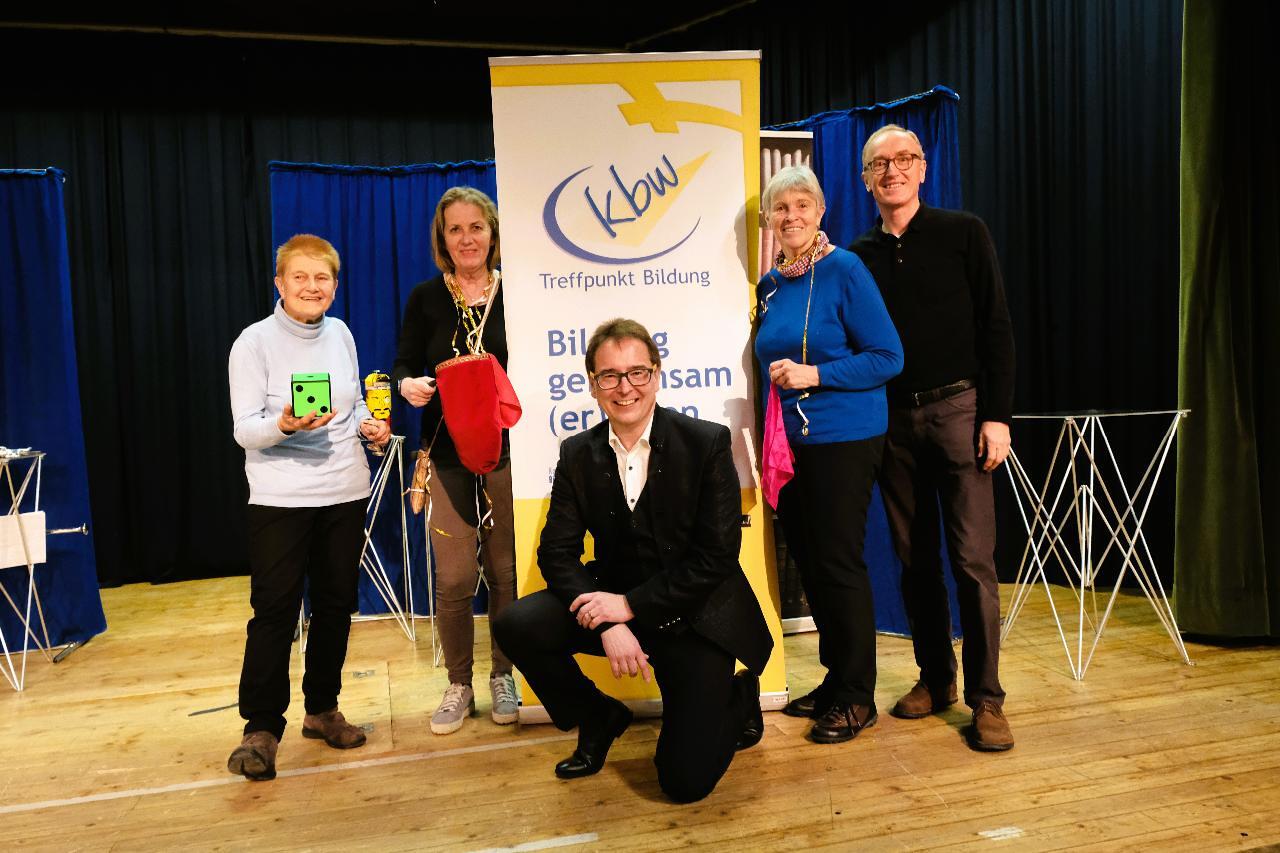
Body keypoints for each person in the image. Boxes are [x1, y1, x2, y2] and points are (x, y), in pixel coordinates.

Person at [492, 319, 773, 803]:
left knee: (683, 785)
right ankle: (599, 716)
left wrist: (629, 606)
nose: (625, 388)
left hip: (695, 617)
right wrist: (607, 620)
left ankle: (739, 697)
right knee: (516, 623)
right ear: (593, 385)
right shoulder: (577, 453)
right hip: (617, 603)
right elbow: (556, 552)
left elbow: (716, 559)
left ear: (657, 375)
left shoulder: (706, 442)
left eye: (637, 372)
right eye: (610, 376)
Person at [851, 124, 1017, 752]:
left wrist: (996, 417)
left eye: (904, 159)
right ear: (865, 179)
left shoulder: (964, 232)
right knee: (914, 559)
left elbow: (996, 327)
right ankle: (937, 678)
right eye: (879, 163)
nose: (892, 170)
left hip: (960, 412)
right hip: (891, 421)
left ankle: (987, 699)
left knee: (972, 560)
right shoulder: (856, 257)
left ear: (923, 169)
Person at [226, 233, 390, 781]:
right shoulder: (253, 343)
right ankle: (261, 729)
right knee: (275, 612)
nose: (311, 287)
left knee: (336, 606)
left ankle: (322, 709)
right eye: (300, 277)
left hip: (344, 489)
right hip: (281, 497)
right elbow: (244, 430)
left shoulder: (341, 334)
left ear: (335, 286)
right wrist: (284, 424)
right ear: (280, 282)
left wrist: (369, 424)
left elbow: (355, 401)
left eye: (322, 278)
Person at [754, 165, 904, 744]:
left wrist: (815, 373)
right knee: (811, 565)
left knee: (838, 564)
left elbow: (888, 357)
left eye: (801, 205)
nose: (790, 216)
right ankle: (835, 678)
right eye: (780, 208)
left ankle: (857, 696)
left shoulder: (846, 269)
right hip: (789, 446)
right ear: (769, 219)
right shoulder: (771, 286)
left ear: (820, 211)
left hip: (844, 439)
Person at [392, 186, 518, 735]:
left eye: (476, 227)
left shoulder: (517, 293)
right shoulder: (426, 297)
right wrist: (408, 386)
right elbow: (402, 364)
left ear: (492, 233)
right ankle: (460, 684)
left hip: (507, 451)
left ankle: (504, 675)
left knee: (506, 571)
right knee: (456, 577)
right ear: (442, 239)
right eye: (455, 229)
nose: (467, 239)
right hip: (444, 451)